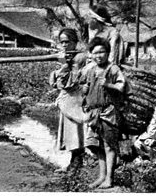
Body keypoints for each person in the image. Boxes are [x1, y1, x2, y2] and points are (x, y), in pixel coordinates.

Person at [81, 37, 127, 189]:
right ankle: (101, 176)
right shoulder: (91, 70)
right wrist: (84, 90)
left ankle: (109, 179)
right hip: (93, 114)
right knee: (97, 146)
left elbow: (122, 87)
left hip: (108, 113)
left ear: (108, 53)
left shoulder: (113, 69)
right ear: (91, 55)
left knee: (109, 146)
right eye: (95, 53)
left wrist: (108, 84)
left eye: (102, 52)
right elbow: (83, 85)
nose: (99, 56)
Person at [48, 28, 88, 172]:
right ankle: (74, 162)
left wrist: (64, 66)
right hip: (67, 99)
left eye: (67, 42)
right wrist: (60, 68)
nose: (64, 45)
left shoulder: (80, 58)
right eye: (62, 42)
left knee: (76, 131)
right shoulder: (65, 56)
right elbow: (56, 83)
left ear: (74, 42)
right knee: (69, 133)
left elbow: (71, 82)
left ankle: (77, 164)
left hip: (76, 98)